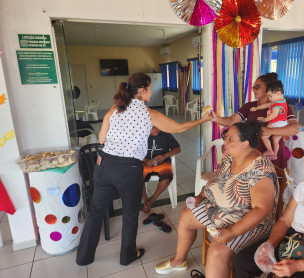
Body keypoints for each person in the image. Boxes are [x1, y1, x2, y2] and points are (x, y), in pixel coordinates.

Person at [76, 72, 211, 266]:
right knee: (130, 215)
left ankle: (83, 257)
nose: (151, 92)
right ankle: (127, 255)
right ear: (142, 90)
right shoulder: (148, 113)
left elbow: (102, 140)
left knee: (96, 212)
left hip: (103, 165)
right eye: (149, 88)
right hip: (127, 169)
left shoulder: (115, 109)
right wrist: (204, 120)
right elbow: (179, 128)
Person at [155, 121, 279, 278]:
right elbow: (217, 181)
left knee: (216, 249)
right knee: (186, 216)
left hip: (251, 222)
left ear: (245, 144)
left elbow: (262, 210)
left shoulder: (260, 170)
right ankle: (179, 261)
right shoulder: (231, 158)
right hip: (223, 210)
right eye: (225, 137)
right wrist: (200, 196)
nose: (225, 143)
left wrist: (232, 232)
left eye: (230, 139)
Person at [210, 72, 299, 168]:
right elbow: (232, 121)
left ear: (268, 88)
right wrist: (216, 118)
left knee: (273, 181)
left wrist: (268, 131)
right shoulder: (249, 106)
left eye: (257, 87)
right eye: (253, 87)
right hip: (252, 154)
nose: (253, 90)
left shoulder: (281, 107)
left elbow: (294, 128)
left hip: (273, 156)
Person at [142, 126, 181, 213]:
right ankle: (145, 201)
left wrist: (165, 155)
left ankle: (151, 200)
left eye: (157, 126)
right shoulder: (141, 135)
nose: (155, 129)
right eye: (152, 127)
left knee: (167, 177)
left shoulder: (166, 134)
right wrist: (145, 160)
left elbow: (177, 149)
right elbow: (133, 152)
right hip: (146, 163)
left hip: (163, 163)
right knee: (136, 176)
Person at [250, 80, 288, 160]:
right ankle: (275, 155)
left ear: (278, 93)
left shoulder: (277, 104)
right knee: (275, 139)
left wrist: (264, 119)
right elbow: (267, 105)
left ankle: (270, 150)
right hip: (283, 123)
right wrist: (257, 108)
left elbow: (274, 115)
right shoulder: (279, 100)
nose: (269, 98)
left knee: (264, 135)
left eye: (270, 96)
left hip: (277, 123)